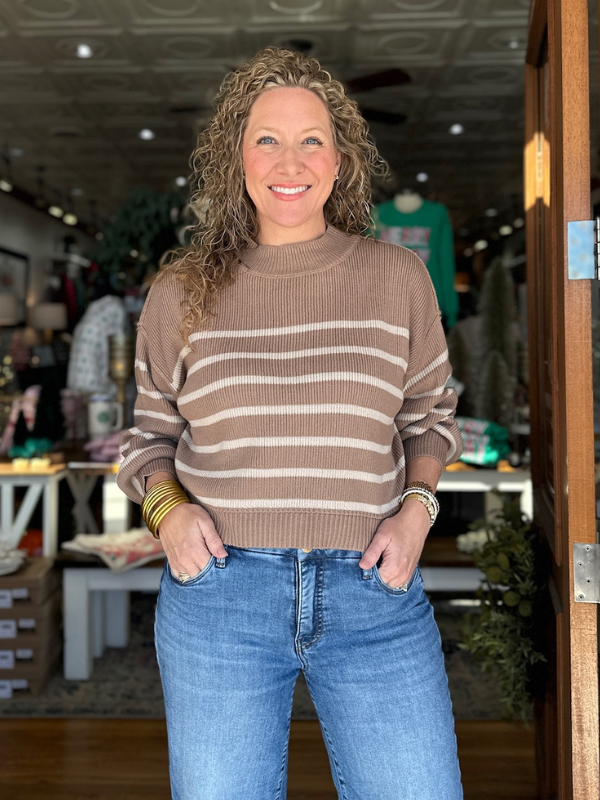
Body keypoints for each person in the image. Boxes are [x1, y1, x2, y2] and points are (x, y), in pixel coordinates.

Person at [117, 47, 464, 800]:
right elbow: (146, 440)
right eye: (267, 138)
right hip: (220, 595)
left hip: (374, 589)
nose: (290, 159)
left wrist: (417, 512)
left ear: (341, 163)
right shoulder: (180, 292)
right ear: (235, 161)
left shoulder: (397, 276)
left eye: (312, 139)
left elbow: (431, 418)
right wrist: (169, 514)